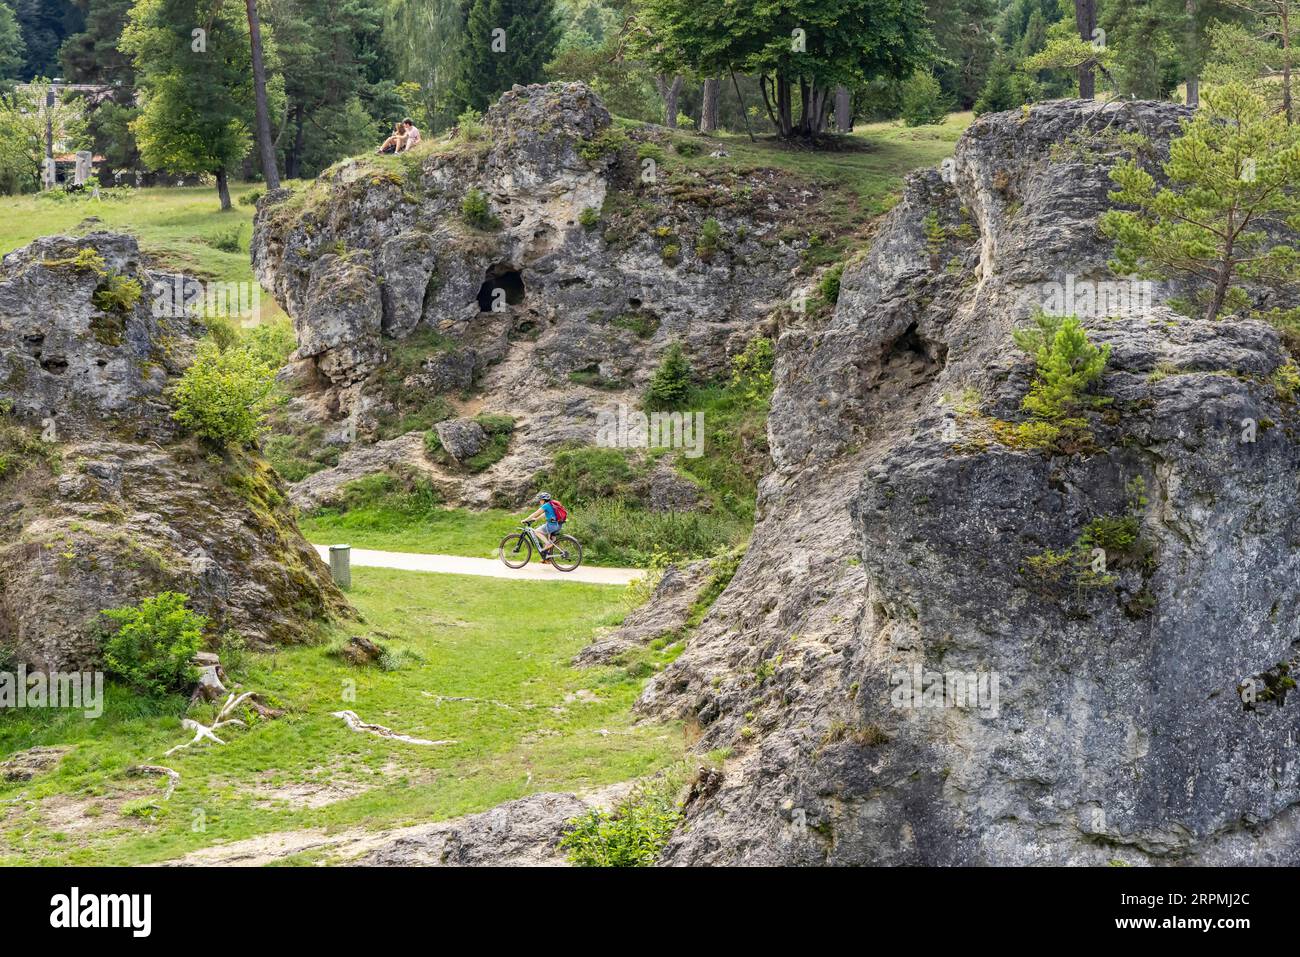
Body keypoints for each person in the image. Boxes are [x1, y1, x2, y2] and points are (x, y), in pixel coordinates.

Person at [523, 492, 563, 563]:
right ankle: (547, 558)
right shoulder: (551, 504)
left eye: (540, 500)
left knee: (537, 532)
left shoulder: (546, 506)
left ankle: (548, 545)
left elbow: (535, 513)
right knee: (549, 539)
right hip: (558, 525)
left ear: (544, 500)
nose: (540, 501)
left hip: (552, 525)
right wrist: (537, 519)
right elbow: (545, 514)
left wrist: (526, 519)